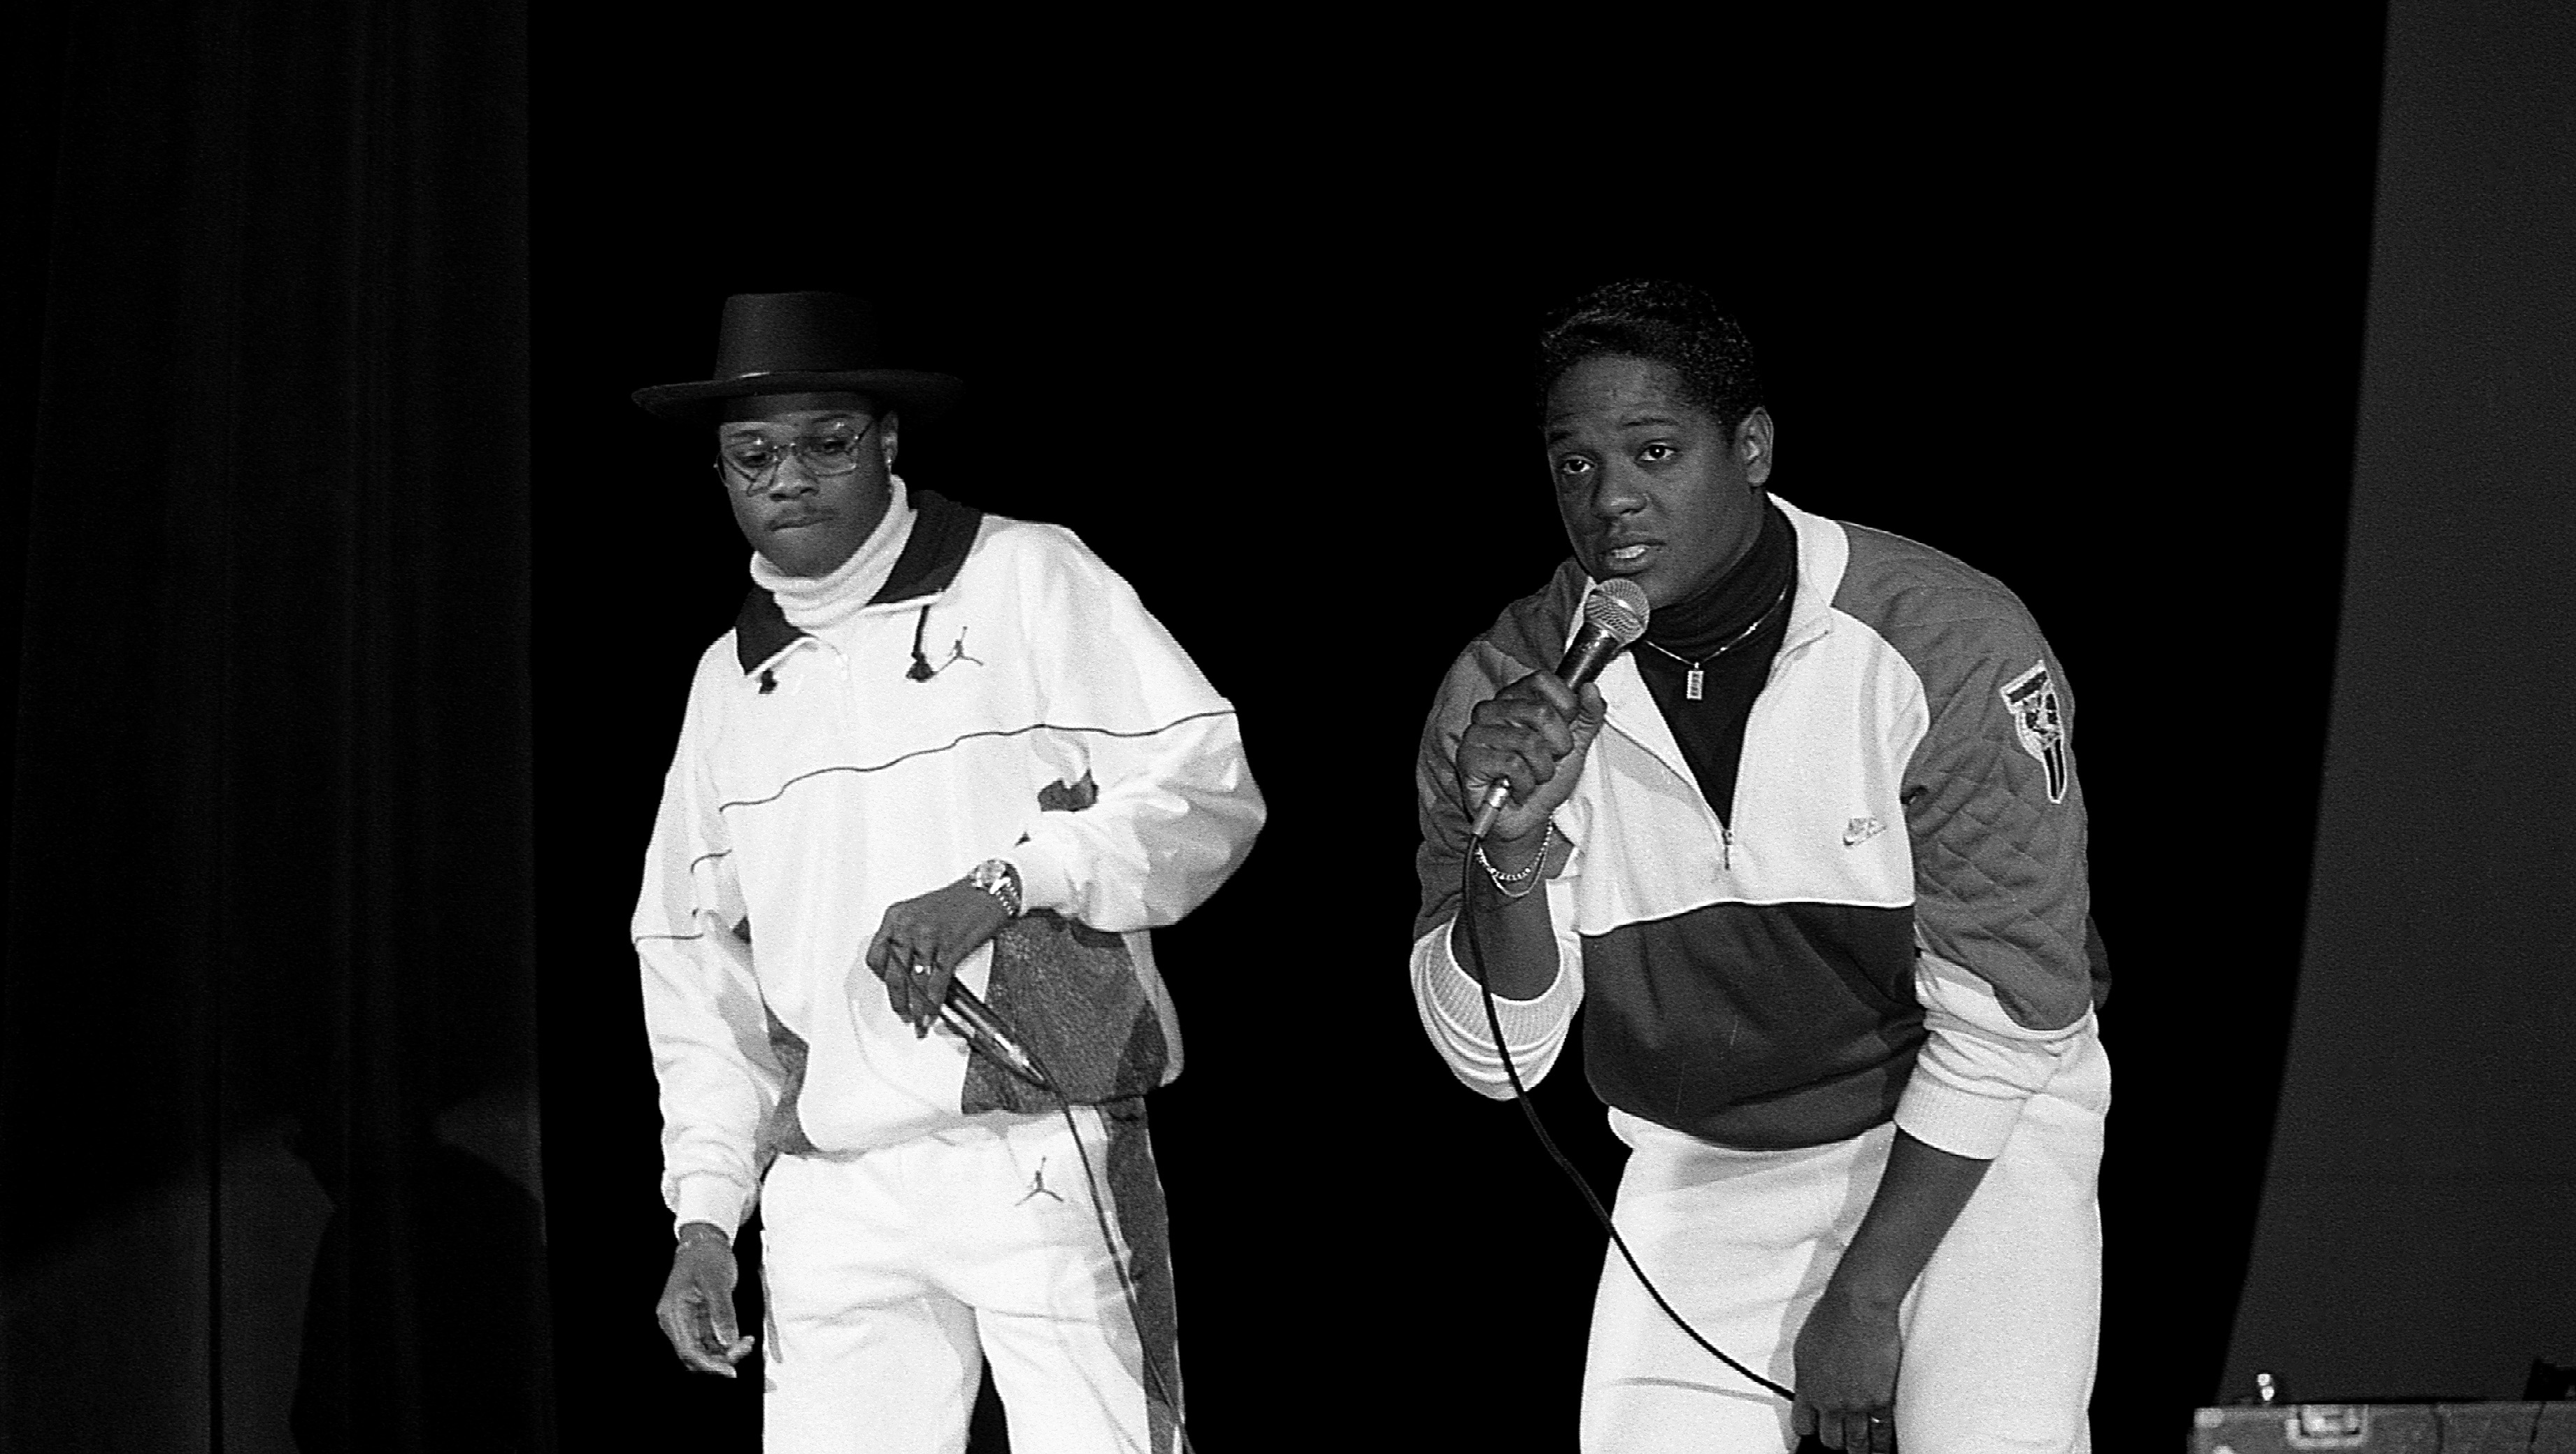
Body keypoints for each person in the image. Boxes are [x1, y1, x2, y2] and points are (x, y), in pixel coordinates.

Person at [1407, 281, 2109, 1454]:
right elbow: (1496, 1059)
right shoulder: (1508, 691)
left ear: (1752, 448)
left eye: (1655, 449)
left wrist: (1868, 1297)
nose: (1612, 496)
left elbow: (2017, 1015)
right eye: (1573, 465)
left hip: (1964, 1133)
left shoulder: (1945, 638)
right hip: (1707, 1157)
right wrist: (1511, 850)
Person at [630, 291, 1263, 1453]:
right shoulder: (728, 681)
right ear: (721, 474)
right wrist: (707, 1216)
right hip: (832, 1188)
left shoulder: (1024, 576)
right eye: (753, 455)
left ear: (886, 442)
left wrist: (1013, 878)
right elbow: (689, 964)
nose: (789, 479)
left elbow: (1206, 786)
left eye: (825, 444)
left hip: (1040, 1145)